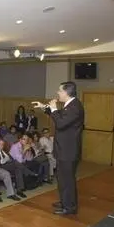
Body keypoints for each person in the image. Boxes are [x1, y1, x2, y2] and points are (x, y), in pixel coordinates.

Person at [32, 81, 84, 215]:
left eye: (60, 91)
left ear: (67, 92)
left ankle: (70, 207)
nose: (57, 93)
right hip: (63, 150)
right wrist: (44, 107)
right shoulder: (70, 105)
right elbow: (60, 115)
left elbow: (60, 123)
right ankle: (64, 202)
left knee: (67, 180)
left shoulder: (75, 107)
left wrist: (54, 108)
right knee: (61, 178)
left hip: (68, 151)